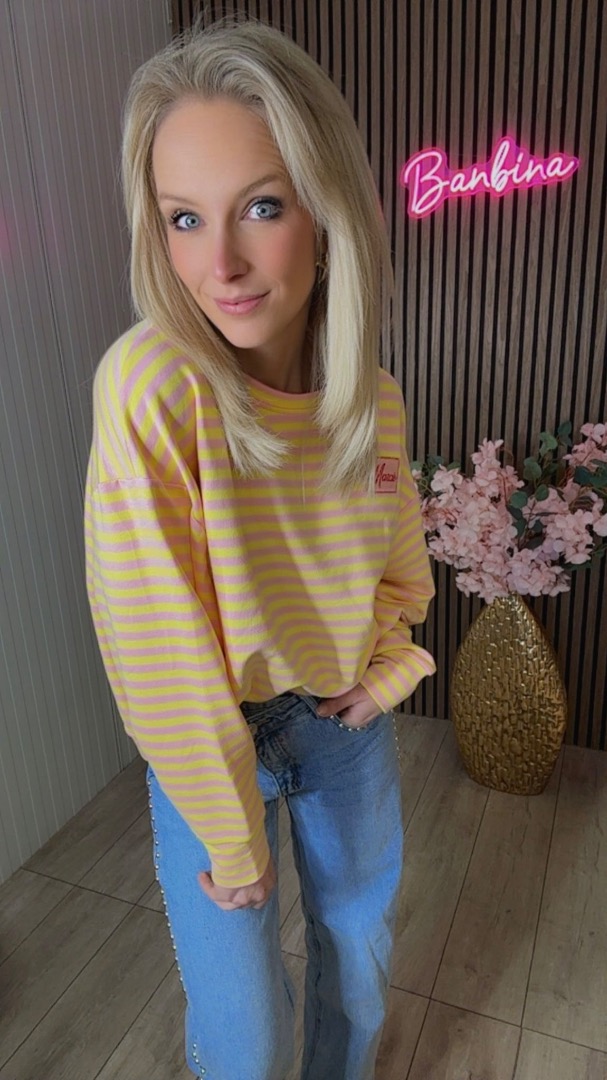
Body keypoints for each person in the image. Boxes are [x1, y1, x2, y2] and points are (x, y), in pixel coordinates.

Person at [84, 16, 435, 1080]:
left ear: (326, 213)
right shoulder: (152, 388)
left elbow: (398, 574)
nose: (220, 263)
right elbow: (154, 642)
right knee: (244, 1041)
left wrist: (390, 670)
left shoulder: (372, 401)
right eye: (184, 219)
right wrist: (231, 835)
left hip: (340, 731)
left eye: (262, 207)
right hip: (206, 742)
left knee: (358, 973)